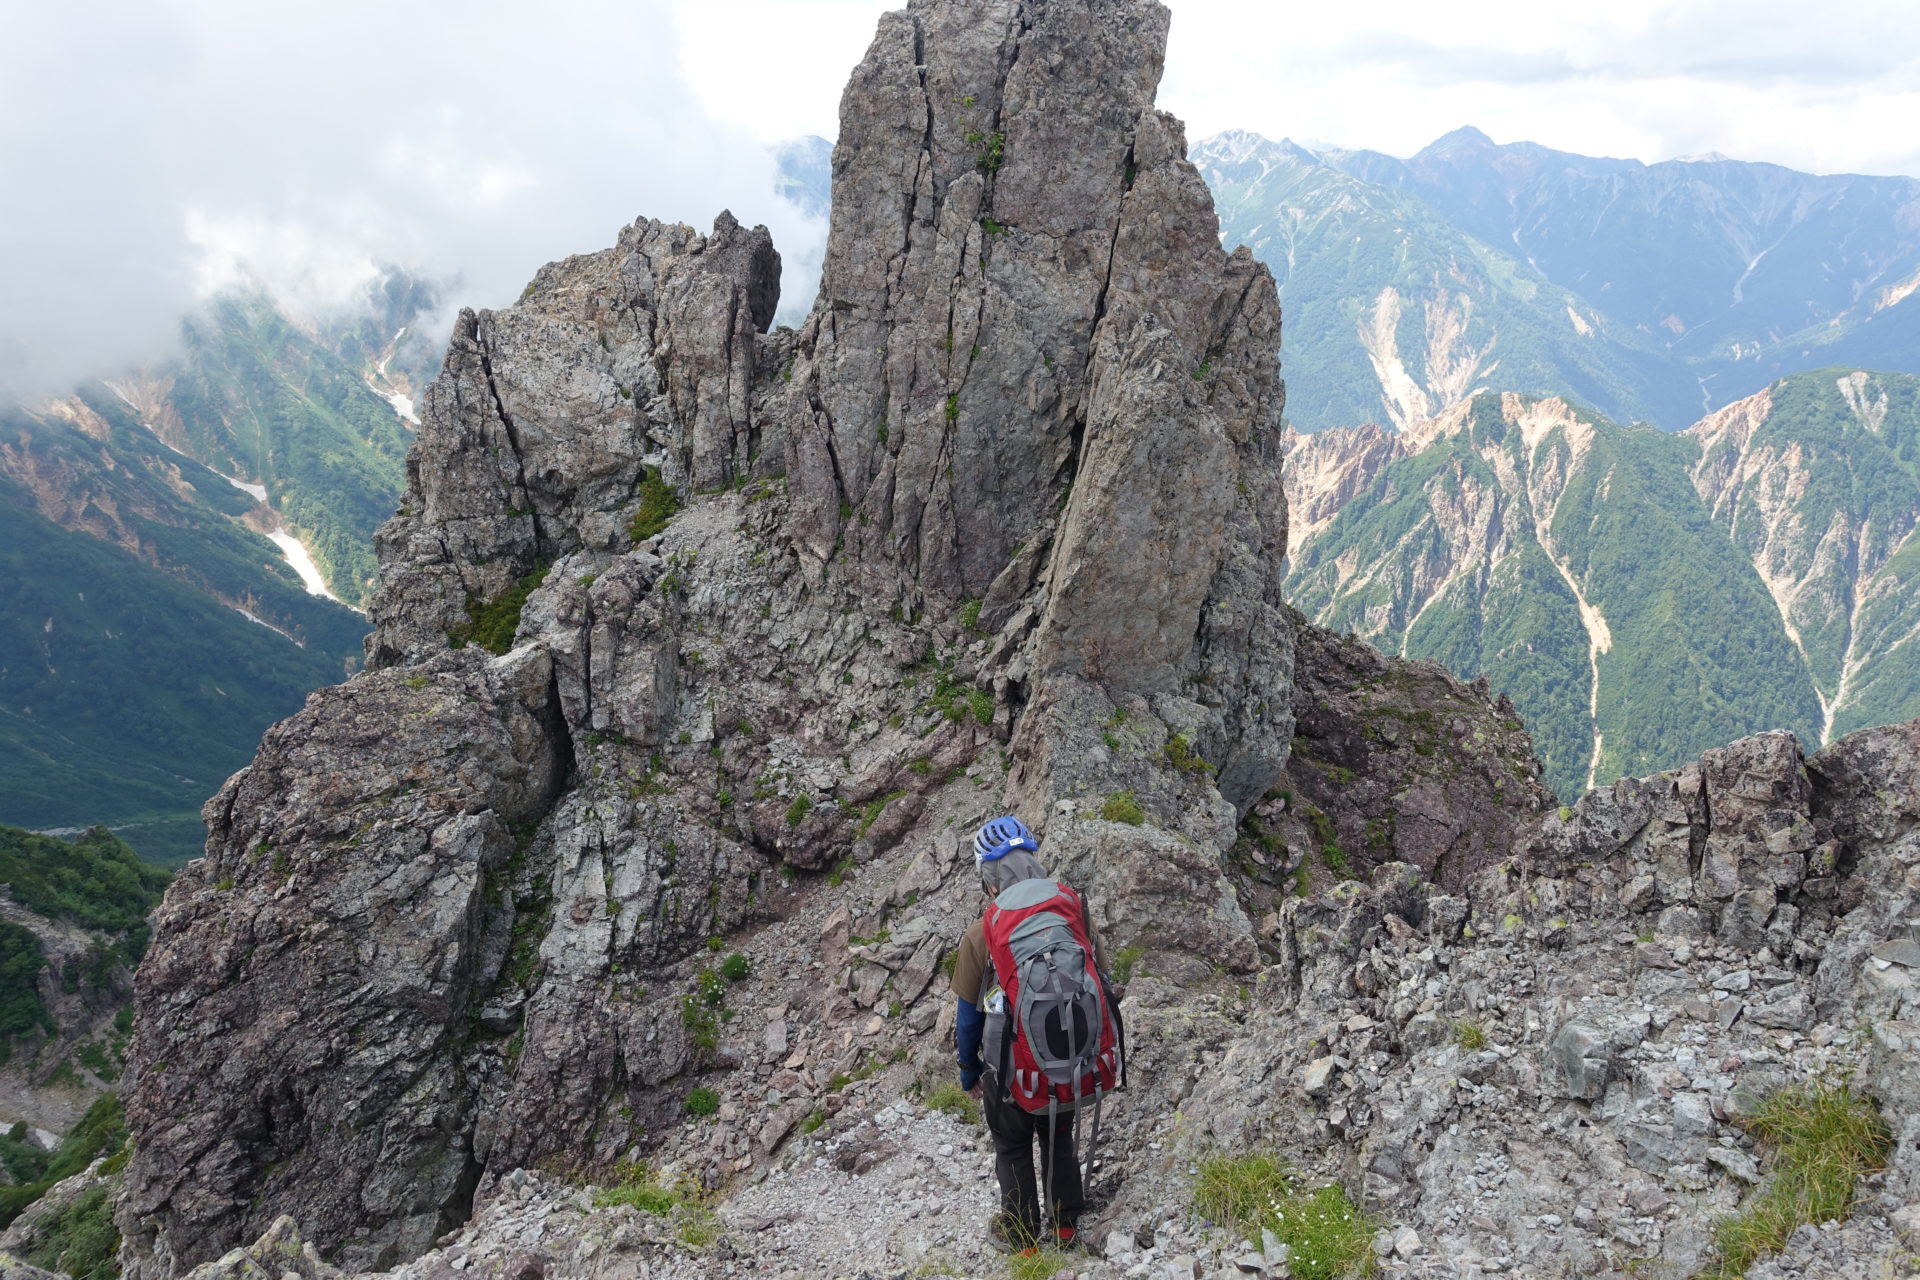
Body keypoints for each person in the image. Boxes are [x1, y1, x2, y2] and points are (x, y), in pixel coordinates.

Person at [950, 815, 1114, 1253]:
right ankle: (1064, 1228)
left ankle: (1022, 1240)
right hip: (1068, 1058)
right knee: (1058, 1134)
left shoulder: (982, 931)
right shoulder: (1072, 909)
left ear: (988, 879)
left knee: (1013, 1147)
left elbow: (968, 1018)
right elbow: (1102, 974)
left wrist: (969, 1072)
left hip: (1008, 1071)